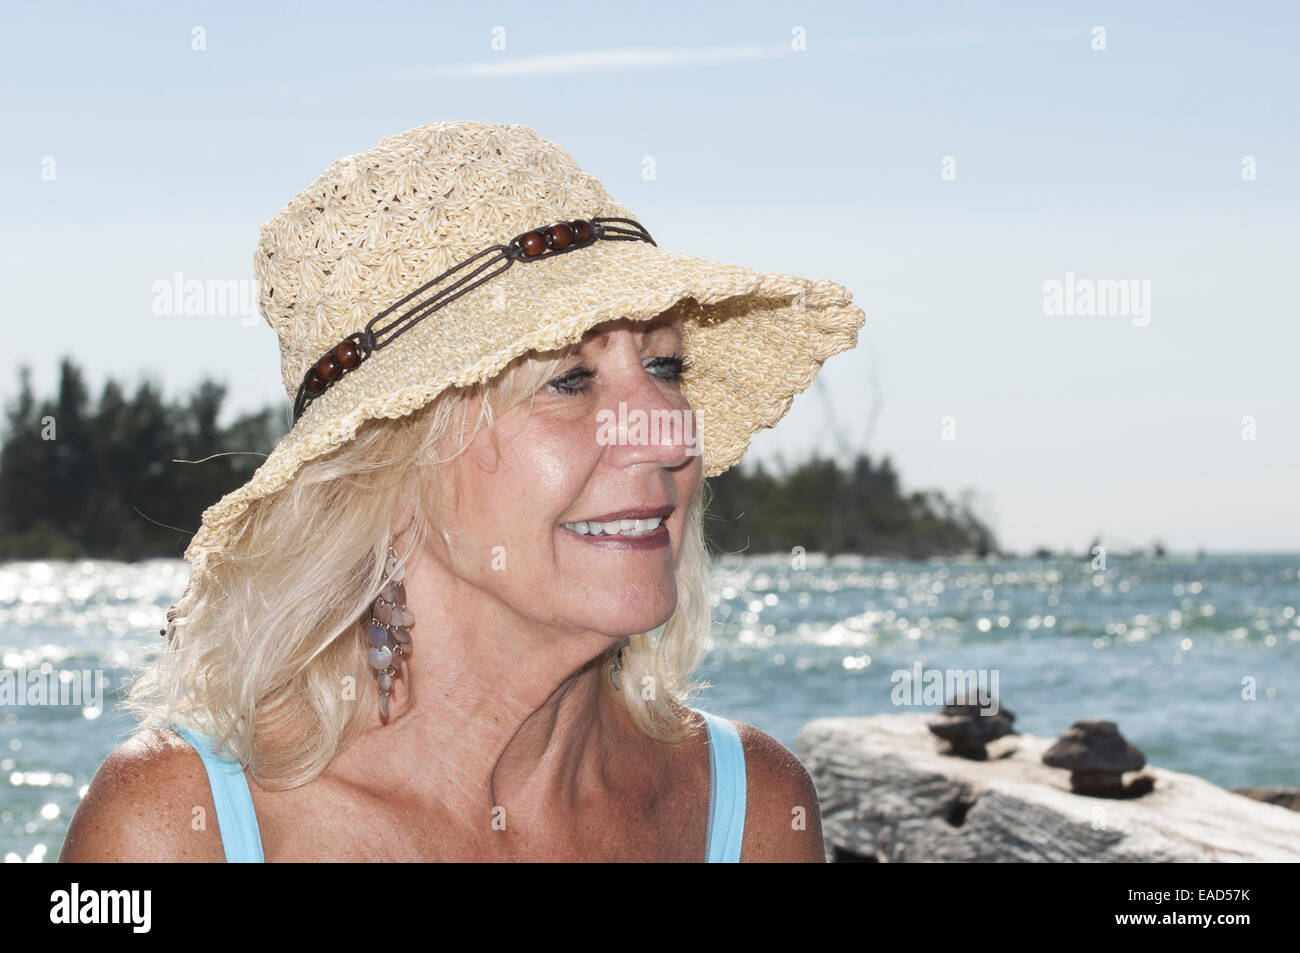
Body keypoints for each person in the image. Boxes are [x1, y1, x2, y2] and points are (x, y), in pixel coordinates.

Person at [58, 121, 864, 862]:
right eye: (571, 379)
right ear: (385, 465)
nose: (667, 430)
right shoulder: (175, 827)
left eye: (665, 366)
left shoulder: (753, 808)